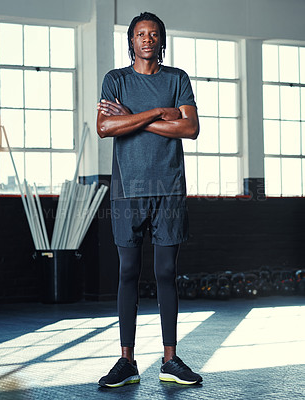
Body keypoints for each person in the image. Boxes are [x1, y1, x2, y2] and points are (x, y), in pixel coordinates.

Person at [96, 11, 201, 388]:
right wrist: (158, 113)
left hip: (169, 189)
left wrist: (136, 117)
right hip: (128, 191)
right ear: (131, 41)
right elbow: (106, 126)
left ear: (161, 40)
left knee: (166, 273)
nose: (147, 39)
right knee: (127, 273)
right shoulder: (116, 80)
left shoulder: (177, 79)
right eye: (140, 34)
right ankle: (127, 361)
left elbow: (189, 128)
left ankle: (170, 360)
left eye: (153, 34)